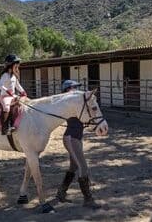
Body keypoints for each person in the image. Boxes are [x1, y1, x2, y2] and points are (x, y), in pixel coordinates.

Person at [56, 80, 101, 209]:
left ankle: (61, 193)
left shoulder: (76, 104)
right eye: (74, 88)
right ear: (68, 90)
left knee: (74, 166)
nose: (77, 90)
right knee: (83, 167)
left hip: (76, 137)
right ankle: (88, 199)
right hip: (72, 138)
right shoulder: (69, 104)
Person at [0, 54, 27, 135]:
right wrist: (7, 91)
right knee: (6, 107)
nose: (18, 65)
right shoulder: (5, 75)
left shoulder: (14, 76)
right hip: (5, 96)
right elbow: (0, 85)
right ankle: (5, 128)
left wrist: (23, 92)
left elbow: (17, 85)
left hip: (12, 96)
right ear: (10, 65)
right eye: (16, 64)